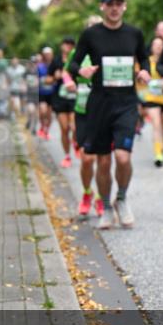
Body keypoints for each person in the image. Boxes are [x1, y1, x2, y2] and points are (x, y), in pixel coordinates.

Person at [69, 0, 150, 230]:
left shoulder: (134, 33)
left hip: (126, 103)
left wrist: (145, 71)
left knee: (123, 158)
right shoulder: (91, 35)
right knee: (103, 162)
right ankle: (105, 206)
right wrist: (80, 71)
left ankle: (121, 199)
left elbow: (144, 58)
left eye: (118, 4)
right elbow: (73, 63)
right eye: (110, 4)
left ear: (124, 6)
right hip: (100, 104)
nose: (114, 8)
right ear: (102, 7)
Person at [67, 15, 105, 220]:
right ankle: (87, 192)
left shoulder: (109, 50)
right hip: (82, 110)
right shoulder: (79, 52)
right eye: (91, 27)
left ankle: (100, 197)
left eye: (98, 26)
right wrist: (70, 81)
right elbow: (67, 70)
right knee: (87, 159)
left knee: (102, 159)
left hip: (103, 110)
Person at [138, 36, 163, 166]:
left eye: (161, 45)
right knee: (156, 125)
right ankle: (158, 154)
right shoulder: (147, 62)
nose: (158, 47)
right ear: (151, 47)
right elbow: (140, 79)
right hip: (152, 98)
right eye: (156, 45)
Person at [50, 38, 77, 167]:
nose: (68, 47)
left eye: (71, 45)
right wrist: (54, 77)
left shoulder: (77, 59)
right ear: (61, 46)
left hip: (75, 97)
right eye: (66, 44)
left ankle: (76, 142)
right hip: (60, 98)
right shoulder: (56, 61)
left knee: (74, 127)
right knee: (65, 128)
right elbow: (47, 79)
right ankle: (67, 156)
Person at [37, 47, 56, 139]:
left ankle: (46, 131)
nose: (48, 56)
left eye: (49, 54)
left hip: (52, 93)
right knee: (43, 111)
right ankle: (42, 126)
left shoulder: (55, 65)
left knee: (49, 114)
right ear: (43, 55)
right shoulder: (39, 66)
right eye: (46, 54)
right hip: (42, 92)